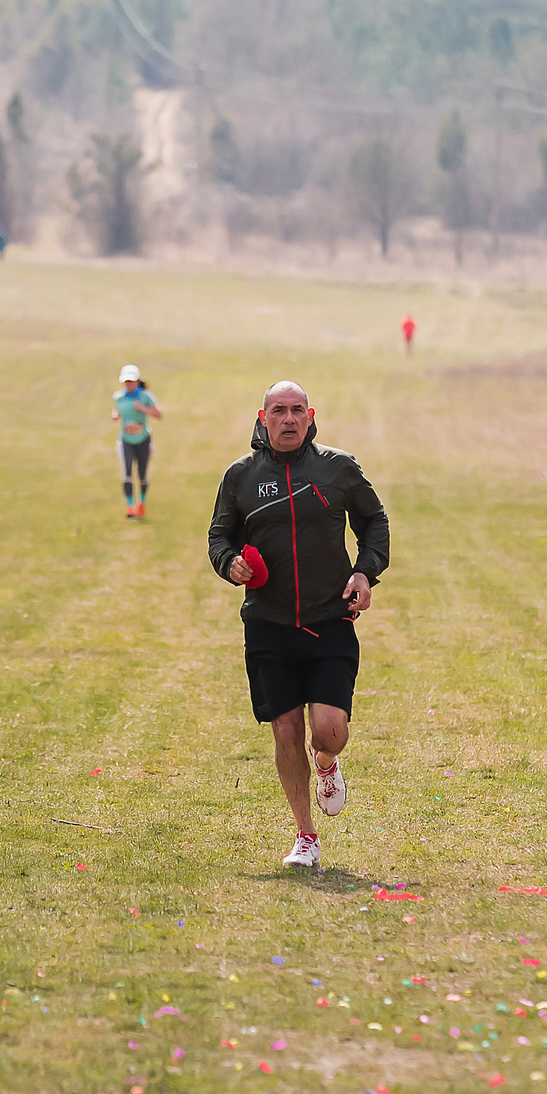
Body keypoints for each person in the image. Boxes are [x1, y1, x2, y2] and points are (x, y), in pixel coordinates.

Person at [206, 380, 389, 870]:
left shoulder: (338, 469)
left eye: (297, 410)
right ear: (262, 418)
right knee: (285, 732)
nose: (288, 419)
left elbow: (375, 522)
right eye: (279, 411)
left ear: (310, 416)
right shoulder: (240, 477)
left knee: (328, 732)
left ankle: (326, 762)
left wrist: (365, 572)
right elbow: (219, 536)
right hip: (268, 625)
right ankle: (306, 836)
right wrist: (228, 563)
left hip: (329, 619)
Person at [113, 364, 163, 518]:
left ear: (136, 381)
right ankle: (130, 506)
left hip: (143, 441)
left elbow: (158, 414)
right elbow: (118, 410)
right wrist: (115, 415)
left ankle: (141, 502)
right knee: (127, 473)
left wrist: (143, 409)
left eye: (131, 381)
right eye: (126, 381)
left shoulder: (145, 396)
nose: (129, 384)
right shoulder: (119, 397)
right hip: (126, 440)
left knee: (142, 474)